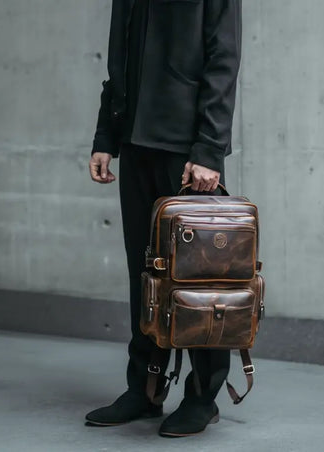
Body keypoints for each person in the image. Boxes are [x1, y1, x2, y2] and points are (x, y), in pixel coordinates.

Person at [85, 0, 242, 438]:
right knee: (145, 275)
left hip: (186, 151)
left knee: (197, 282)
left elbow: (223, 56)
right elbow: (121, 57)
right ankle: (146, 389)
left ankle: (202, 397)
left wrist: (209, 148)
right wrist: (106, 134)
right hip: (135, 142)